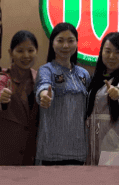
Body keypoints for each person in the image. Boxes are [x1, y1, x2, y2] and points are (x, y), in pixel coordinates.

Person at [0, 31, 40, 166]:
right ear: (11, 53)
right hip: (0, 158)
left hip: (27, 158)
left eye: (31, 50)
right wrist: (2, 100)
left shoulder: (39, 79)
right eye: (20, 51)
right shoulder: (4, 78)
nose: (26, 55)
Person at [35, 23, 91, 165]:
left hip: (79, 150)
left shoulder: (84, 74)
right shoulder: (46, 70)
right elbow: (44, 85)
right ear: (52, 43)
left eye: (70, 41)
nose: (65, 46)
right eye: (60, 40)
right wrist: (44, 96)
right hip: (51, 151)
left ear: (77, 43)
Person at [85, 32, 119, 165]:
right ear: (101, 52)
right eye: (108, 51)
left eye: (117, 52)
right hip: (95, 144)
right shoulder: (95, 79)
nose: (111, 56)